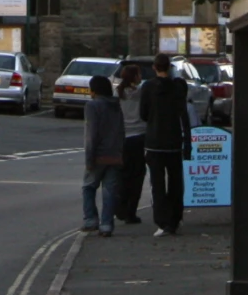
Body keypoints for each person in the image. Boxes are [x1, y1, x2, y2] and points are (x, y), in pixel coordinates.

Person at [137, 53, 192, 235]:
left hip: (154, 140)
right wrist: (187, 143)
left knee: (157, 183)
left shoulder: (147, 87)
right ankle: (175, 219)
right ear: (169, 67)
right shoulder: (178, 87)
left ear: (154, 67)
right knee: (176, 182)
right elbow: (183, 113)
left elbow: (143, 114)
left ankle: (161, 221)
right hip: (174, 140)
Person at [80, 75, 124, 238]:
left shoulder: (92, 106)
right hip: (114, 154)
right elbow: (121, 131)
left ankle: (91, 220)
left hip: (98, 155)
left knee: (88, 187)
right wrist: (120, 152)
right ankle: (106, 225)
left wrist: (89, 159)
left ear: (94, 90)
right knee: (109, 191)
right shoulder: (116, 105)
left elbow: (91, 134)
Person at [114, 62, 147, 225]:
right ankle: (131, 212)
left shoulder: (117, 93)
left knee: (123, 175)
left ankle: (120, 205)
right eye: (139, 74)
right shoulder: (142, 93)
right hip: (139, 137)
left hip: (123, 138)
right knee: (137, 177)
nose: (141, 77)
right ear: (135, 77)